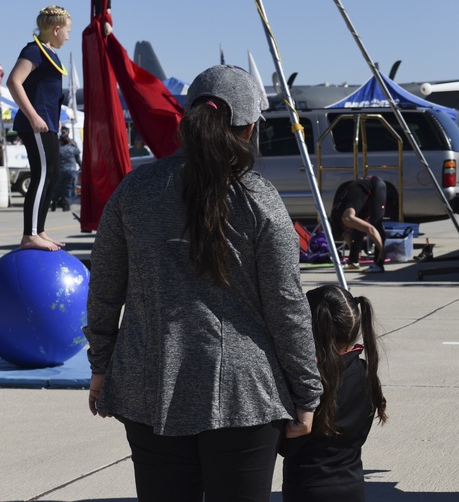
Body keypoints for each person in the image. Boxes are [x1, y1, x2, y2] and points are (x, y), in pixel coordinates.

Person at [84, 64, 322, 502]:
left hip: (147, 383)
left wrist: (101, 364)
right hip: (243, 395)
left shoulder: (135, 190)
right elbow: (287, 306)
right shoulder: (259, 199)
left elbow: (103, 287)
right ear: (249, 129)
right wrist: (308, 391)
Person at [281, 285, 387, 502]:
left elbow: (287, 446)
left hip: (306, 487)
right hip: (352, 485)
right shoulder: (364, 372)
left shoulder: (307, 384)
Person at [6, 5, 72, 251]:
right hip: (36, 124)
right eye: (67, 31)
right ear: (56, 30)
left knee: (52, 176)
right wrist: (32, 116)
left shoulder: (50, 53)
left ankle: (39, 229)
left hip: (49, 125)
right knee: (42, 176)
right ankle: (29, 234)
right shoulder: (34, 51)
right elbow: (14, 81)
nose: (68, 36)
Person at [329, 176, 387, 273]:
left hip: (375, 185)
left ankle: (379, 263)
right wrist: (354, 252)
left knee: (376, 223)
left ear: (343, 227)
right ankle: (354, 261)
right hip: (359, 193)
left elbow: (371, 229)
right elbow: (346, 236)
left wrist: (382, 251)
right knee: (358, 227)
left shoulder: (346, 218)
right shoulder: (336, 214)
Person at [52, 131, 81, 212]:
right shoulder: (73, 149)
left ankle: (54, 202)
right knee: (68, 188)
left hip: (59, 171)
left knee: (57, 187)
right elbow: (78, 160)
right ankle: (66, 205)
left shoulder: (57, 149)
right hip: (71, 171)